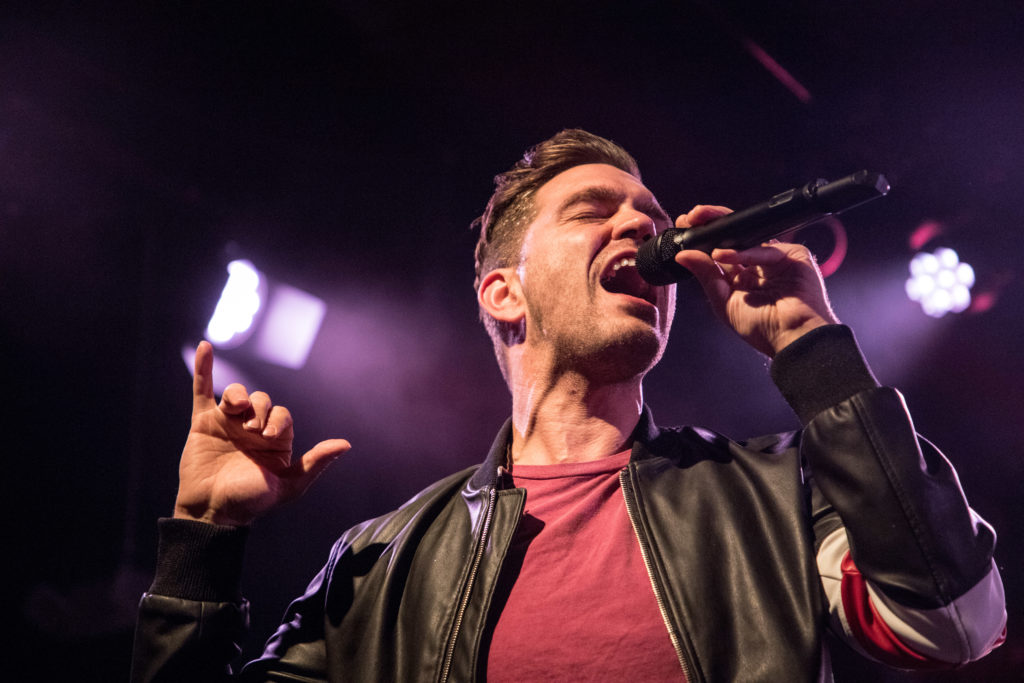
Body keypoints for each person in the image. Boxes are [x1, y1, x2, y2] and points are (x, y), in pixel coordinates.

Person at [132, 129, 1006, 681]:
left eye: (650, 213)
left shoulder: (778, 493)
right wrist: (200, 544)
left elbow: (955, 621)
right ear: (504, 293)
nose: (642, 229)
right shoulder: (386, 561)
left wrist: (814, 349)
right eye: (595, 210)